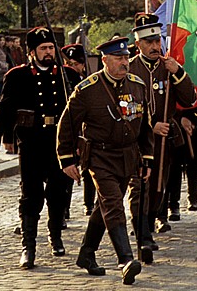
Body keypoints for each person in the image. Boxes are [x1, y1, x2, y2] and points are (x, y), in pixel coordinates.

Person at [57, 37, 154, 285]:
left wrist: (147, 158)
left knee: (106, 206)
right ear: (105, 60)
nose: (125, 62)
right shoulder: (88, 89)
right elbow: (67, 124)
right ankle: (125, 260)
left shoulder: (137, 85)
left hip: (128, 155)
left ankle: (87, 254)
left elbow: (145, 126)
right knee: (113, 204)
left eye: (126, 58)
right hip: (99, 156)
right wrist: (67, 158)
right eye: (119, 58)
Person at [0, 27, 81, 269]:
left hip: (60, 142)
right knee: (31, 194)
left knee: (59, 192)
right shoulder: (18, 76)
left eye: (50, 48)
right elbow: (5, 109)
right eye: (43, 49)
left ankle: (56, 235)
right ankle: (28, 246)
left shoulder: (67, 75)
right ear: (32, 52)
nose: (48, 53)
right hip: (32, 141)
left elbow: (80, 109)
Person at [126, 13, 196, 244]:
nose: (155, 46)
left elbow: (189, 99)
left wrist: (178, 72)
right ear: (138, 44)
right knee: (139, 185)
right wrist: (149, 126)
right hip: (136, 139)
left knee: (158, 186)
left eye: (158, 41)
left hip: (164, 140)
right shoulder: (130, 69)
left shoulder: (168, 67)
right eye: (149, 42)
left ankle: (150, 221)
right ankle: (142, 231)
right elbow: (123, 106)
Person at [61, 44, 97, 216]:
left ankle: (89, 203)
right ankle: (64, 208)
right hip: (70, 129)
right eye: (69, 63)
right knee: (68, 169)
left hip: (86, 130)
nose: (72, 67)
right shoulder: (62, 79)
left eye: (76, 64)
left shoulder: (89, 82)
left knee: (89, 168)